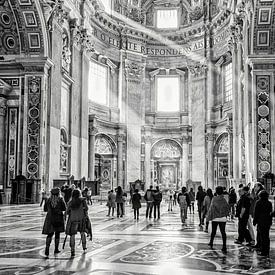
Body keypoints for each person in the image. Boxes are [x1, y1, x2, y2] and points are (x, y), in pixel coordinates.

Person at [42, 187, 66, 257]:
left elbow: (45, 209)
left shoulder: (48, 200)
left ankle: (47, 248)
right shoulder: (60, 199)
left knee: (49, 234)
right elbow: (64, 208)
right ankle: (56, 249)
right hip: (58, 217)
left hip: (49, 218)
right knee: (57, 234)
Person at [65, 189, 89, 257]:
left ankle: (72, 250)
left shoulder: (70, 202)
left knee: (72, 235)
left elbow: (67, 212)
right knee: (82, 233)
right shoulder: (83, 200)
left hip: (72, 220)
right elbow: (86, 208)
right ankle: (84, 247)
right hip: (81, 219)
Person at [206, 186, 230, 253]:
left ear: (216, 192)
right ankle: (224, 246)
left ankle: (211, 242)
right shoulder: (224, 199)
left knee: (213, 231)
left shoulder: (214, 199)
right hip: (222, 218)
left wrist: (208, 217)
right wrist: (226, 214)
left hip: (215, 217)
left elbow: (211, 208)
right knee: (223, 232)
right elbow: (227, 208)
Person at [253, 190, 273, 257]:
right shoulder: (269, 203)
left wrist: (254, 221)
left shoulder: (258, 202)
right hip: (267, 221)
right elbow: (270, 212)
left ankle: (263, 251)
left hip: (261, 221)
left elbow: (256, 213)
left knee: (262, 236)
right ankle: (266, 250)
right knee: (266, 236)